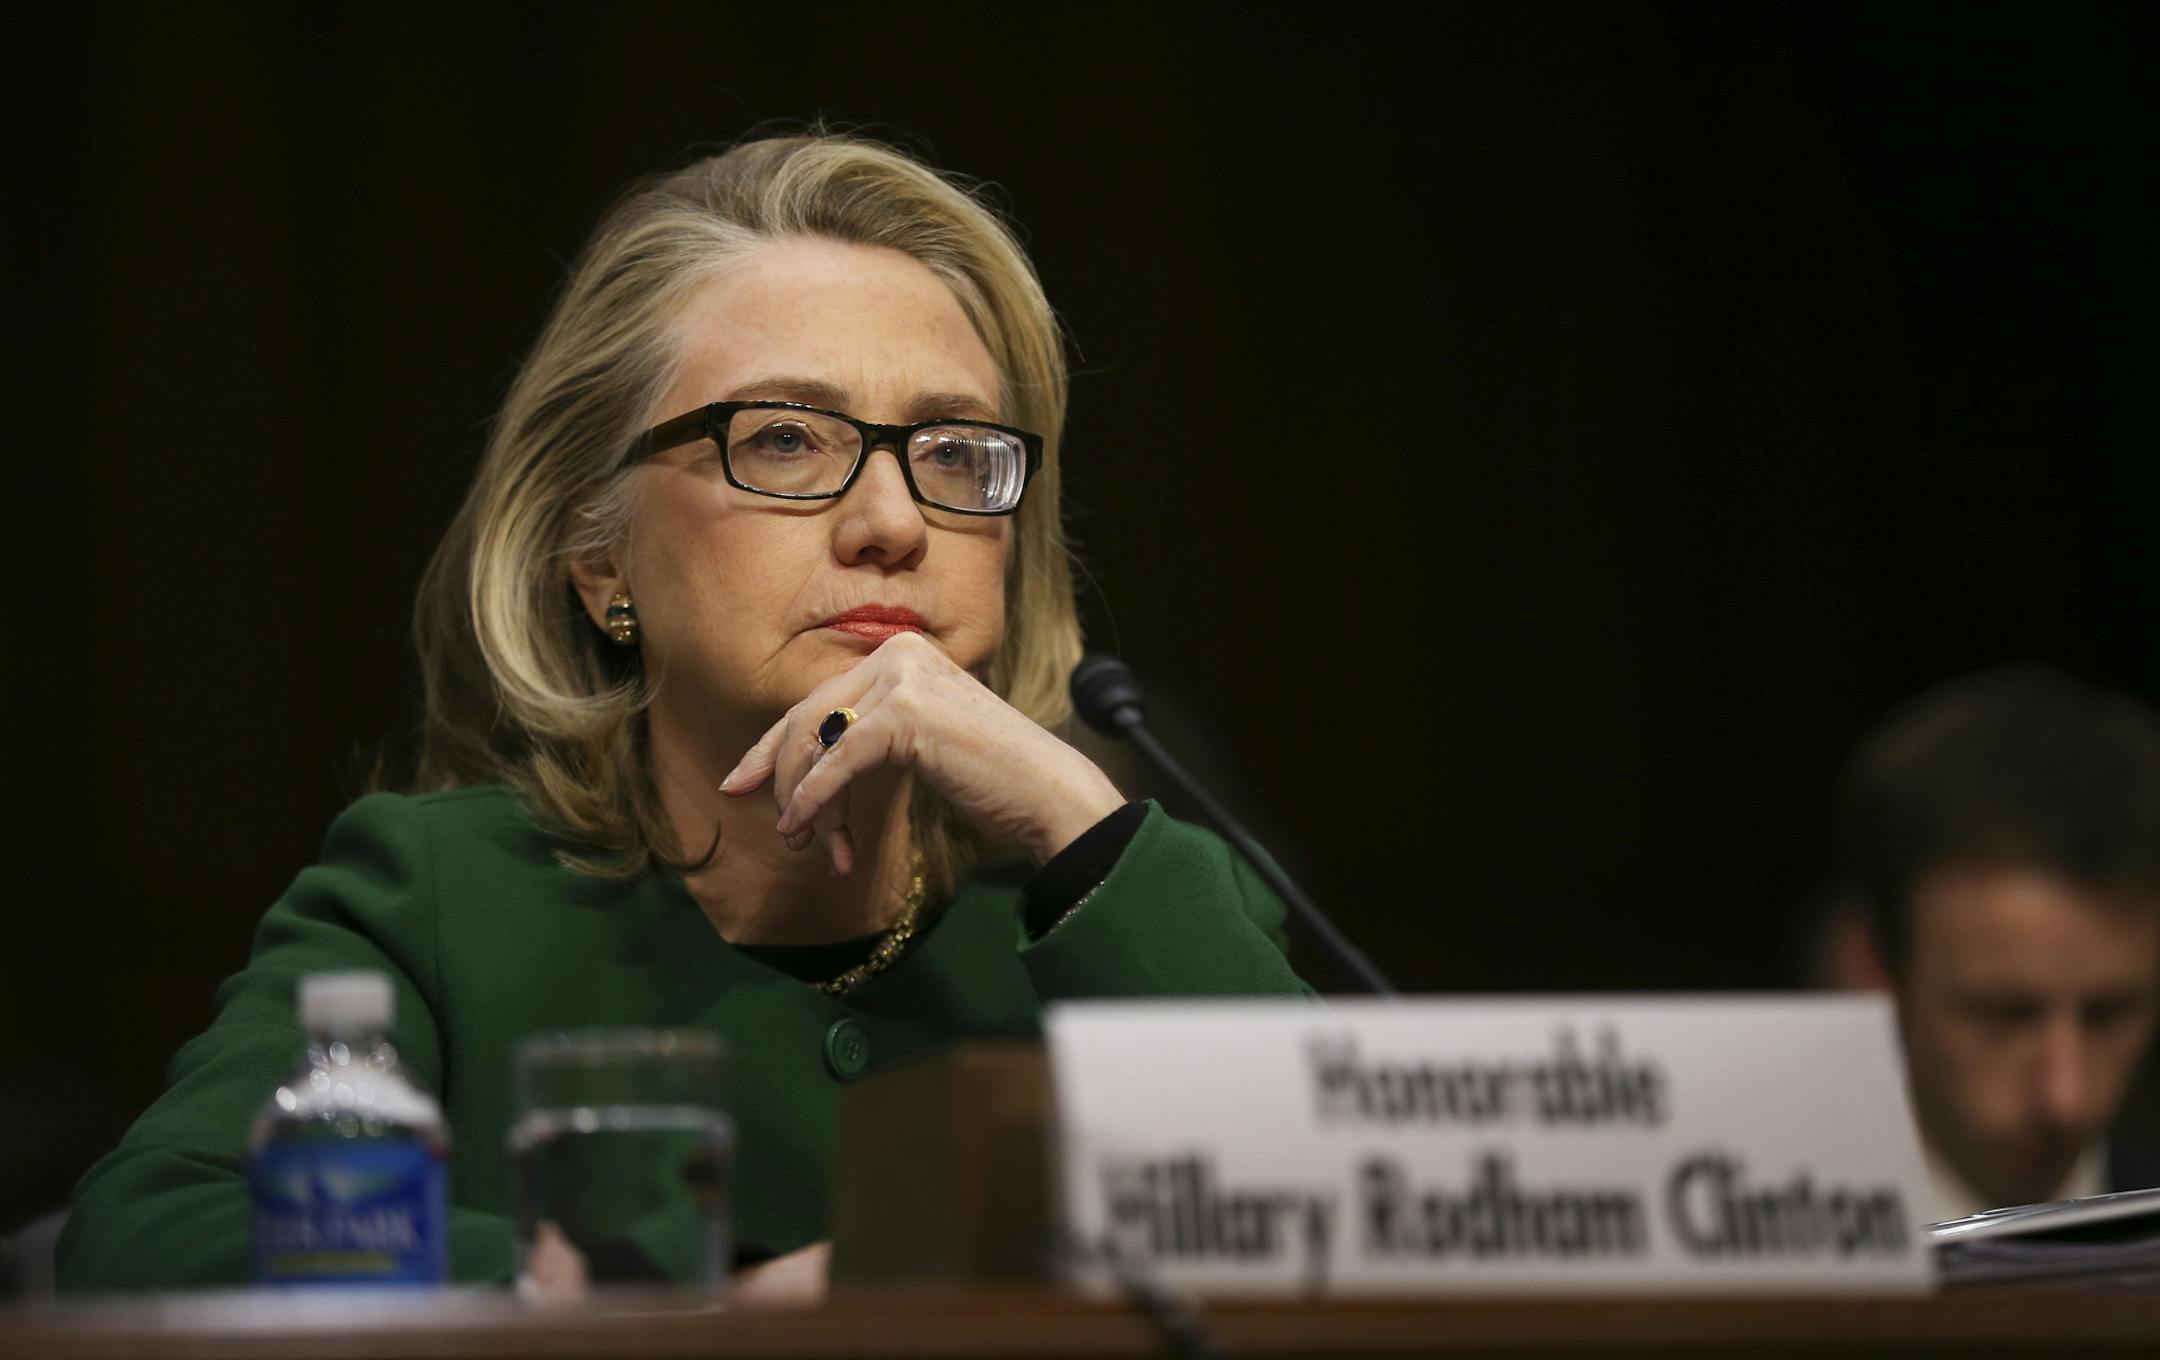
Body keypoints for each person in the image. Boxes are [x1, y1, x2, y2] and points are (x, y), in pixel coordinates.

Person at [57, 132, 1312, 1294]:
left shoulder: (1127, 897)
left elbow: (1363, 1216)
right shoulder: (437, 907)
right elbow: (155, 1234)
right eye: (781, 440)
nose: (892, 523)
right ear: (598, 556)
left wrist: (1073, 816)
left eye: (954, 451)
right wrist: (691, 1287)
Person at [1818, 666, 2160, 1221]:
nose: (2065, 1097)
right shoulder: (1734, 1288)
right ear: (1871, 966)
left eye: (2109, 1015)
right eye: (2001, 1014)